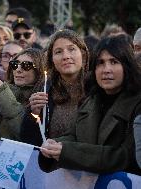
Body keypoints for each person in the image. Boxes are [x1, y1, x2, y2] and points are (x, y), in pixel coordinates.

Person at [39, 35, 141, 175]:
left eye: (114, 62)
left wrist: (67, 151)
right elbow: (75, 135)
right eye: (100, 63)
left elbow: (126, 157)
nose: (106, 69)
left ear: (127, 66)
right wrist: (53, 146)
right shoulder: (91, 100)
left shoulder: (137, 104)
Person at [21, 29, 89, 146]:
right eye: (58, 52)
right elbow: (28, 138)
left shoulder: (96, 87)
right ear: (52, 59)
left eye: (71, 49)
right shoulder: (45, 88)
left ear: (83, 54)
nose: (66, 56)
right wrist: (34, 114)